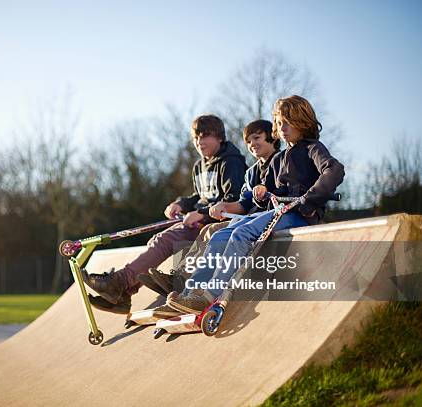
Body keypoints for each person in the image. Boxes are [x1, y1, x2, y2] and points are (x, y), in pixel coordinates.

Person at [166, 95, 345, 314]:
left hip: (300, 214)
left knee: (243, 233)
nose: (282, 127)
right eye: (279, 123)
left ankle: (211, 294)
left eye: (288, 122)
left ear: (303, 122)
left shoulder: (312, 148)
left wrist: (310, 198)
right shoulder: (280, 159)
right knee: (220, 235)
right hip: (277, 211)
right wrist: (261, 193)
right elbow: (263, 194)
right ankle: (189, 294)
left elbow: (334, 170)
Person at [84, 114, 247, 314]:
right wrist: (181, 203)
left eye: (205, 136)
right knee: (157, 239)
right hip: (199, 220)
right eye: (196, 138)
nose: (199, 142)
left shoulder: (231, 162)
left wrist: (203, 214)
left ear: (219, 137)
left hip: (219, 223)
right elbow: (200, 195)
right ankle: (124, 292)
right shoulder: (199, 165)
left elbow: (234, 198)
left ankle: (121, 283)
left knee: (167, 238)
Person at [146, 119, 281, 317]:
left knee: (217, 232)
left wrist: (266, 193)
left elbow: (287, 191)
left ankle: (207, 292)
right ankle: (187, 294)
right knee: (217, 235)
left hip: (271, 218)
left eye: (257, 138)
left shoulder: (281, 160)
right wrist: (223, 207)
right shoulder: (252, 172)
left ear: (273, 138)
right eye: (249, 141)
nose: (252, 144)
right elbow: (242, 203)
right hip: (248, 218)